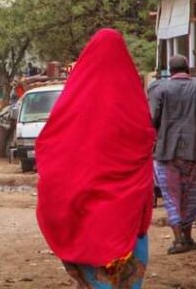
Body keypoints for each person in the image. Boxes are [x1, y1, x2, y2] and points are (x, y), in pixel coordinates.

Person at [36, 29, 155, 288]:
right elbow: (145, 139)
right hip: (125, 214)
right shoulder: (132, 94)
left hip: (84, 214)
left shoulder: (74, 97)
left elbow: (49, 144)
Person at [149, 54, 196, 254]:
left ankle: (179, 240)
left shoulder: (160, 90)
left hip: (166, 154)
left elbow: (153, 119)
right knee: (190, 197)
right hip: (193, 155)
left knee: (171, 197)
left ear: (171, 70)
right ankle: (187, 238)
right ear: (188, 69)